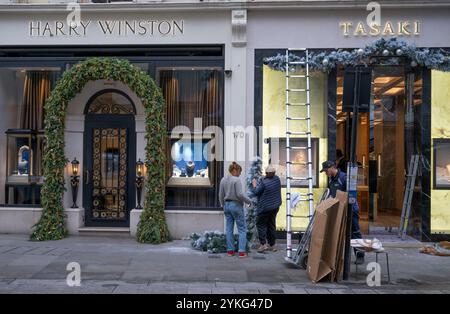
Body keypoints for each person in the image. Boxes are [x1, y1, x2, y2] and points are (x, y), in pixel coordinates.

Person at [320, 160, 365, 264]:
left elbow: (351, 194)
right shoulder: (331, 179)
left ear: (332, 168)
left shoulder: (344, 178)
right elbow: (332, 194)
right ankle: (335, 256)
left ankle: (360, 255)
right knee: (337, 232)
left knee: (355, 232)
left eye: (326, 171)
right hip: (338, 210)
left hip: (351, 209)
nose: (326, 173)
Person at [219, 162, 253, 258]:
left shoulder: (223, 180)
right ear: (235, 170)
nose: (240, 174)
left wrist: (223, 205)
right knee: (242, 229)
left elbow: (220, 195)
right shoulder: (236, 180)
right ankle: (241, 251)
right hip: (236, 205)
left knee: (229, 228)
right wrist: (249, 201)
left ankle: (230, 251)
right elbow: (240, 195)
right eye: (240, 171)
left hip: (227, 205)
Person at [250, 165, 282, 253]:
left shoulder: (264, 182)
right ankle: (272, 245)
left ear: (267, 173)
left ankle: (263, 244)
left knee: (261, 225)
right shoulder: (277, 179)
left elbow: (256, 192)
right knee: (271, 224)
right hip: (275, 206)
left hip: (265, 208)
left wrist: (254, 184)